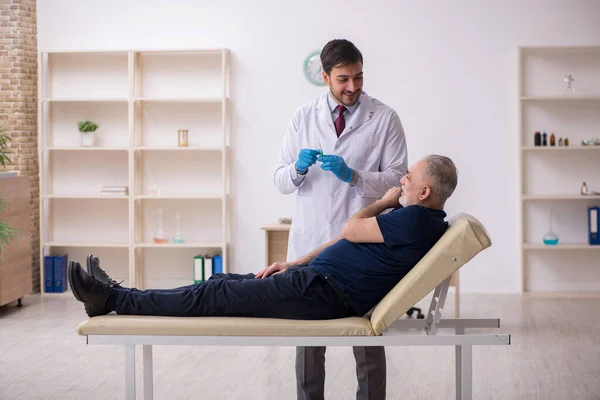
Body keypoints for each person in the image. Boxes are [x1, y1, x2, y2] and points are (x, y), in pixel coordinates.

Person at [69, 155, 456, 334]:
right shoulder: (418, 219)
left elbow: (353, 227)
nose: (401, 180)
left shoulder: (413, 219)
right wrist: (295, 264)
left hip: (322, 294)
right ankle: (116, 294)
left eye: (407, 178)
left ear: (423, 191)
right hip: (313, 280)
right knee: (217, 283)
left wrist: (384, 202)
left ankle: (112, 299)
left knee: (213, 296)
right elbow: (347, 239)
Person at [273, 38, 408, 400]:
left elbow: (400, 179)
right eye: (343, 79)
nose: (353, 87)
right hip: (311, 239)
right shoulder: (302, 118)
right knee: (308, 337)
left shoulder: (384, 118)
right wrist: (298, 170)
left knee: (367, 333)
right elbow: (280, 179)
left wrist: (356, 176)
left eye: (359, 77)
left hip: (361, 242)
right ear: (325, 77)